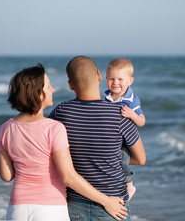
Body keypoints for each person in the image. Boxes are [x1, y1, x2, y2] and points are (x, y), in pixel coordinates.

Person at [0, 63, 128, 221]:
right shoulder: (54, 128)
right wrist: (106, 201)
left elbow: (6, 175)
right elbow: (68, 176)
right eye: (49, 86)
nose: (53, 89)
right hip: (49, 209)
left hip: (17, 208)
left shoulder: (5, 128)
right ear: (38, 93)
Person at [48, 56, 146, 221]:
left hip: (74, 204)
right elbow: (140, 159)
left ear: (70, 85)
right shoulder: (120, 114)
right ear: (100, 76)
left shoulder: (60, 112)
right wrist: (108, 158)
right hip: (113, 206)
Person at [104, 58, 146, 201]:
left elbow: (142, 121)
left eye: (120, 79)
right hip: (111, 138)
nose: (115, 83)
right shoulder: (106, 97)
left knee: (121, 160)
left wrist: (132, 114)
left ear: (130, 81)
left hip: (125, 140)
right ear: (106, 79)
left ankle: (129, 185)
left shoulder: (132, 99)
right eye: (111, 79)